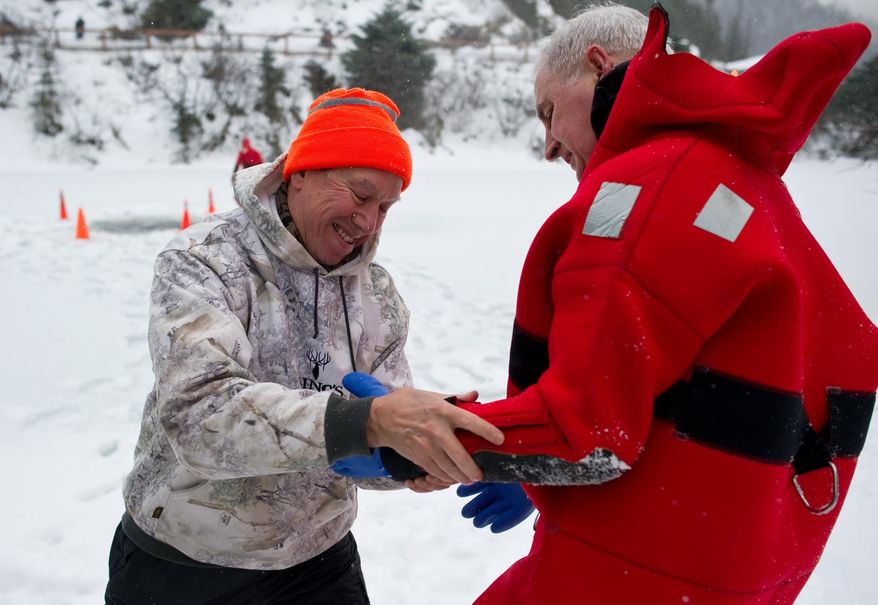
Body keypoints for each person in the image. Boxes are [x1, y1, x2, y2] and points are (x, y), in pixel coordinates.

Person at [346, 4, 878, 604]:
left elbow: (588, 432)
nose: (548, 146)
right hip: (728, 568)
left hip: (633, 572)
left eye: (549, 113)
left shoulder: (647, 188)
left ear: (598, 67)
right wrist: (530, 470)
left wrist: (403, 441)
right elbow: (714, 385)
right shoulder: (740, 180)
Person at [103, 87, 503, 605]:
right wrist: (364, 422)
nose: (369, 221)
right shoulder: (205, 260)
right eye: (360, 195)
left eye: (386, 206)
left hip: (319, 564)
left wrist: (416, 455)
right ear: (301, 173)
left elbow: (377, 433)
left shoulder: (376, 294)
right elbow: (200, 417)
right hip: (182, 563)